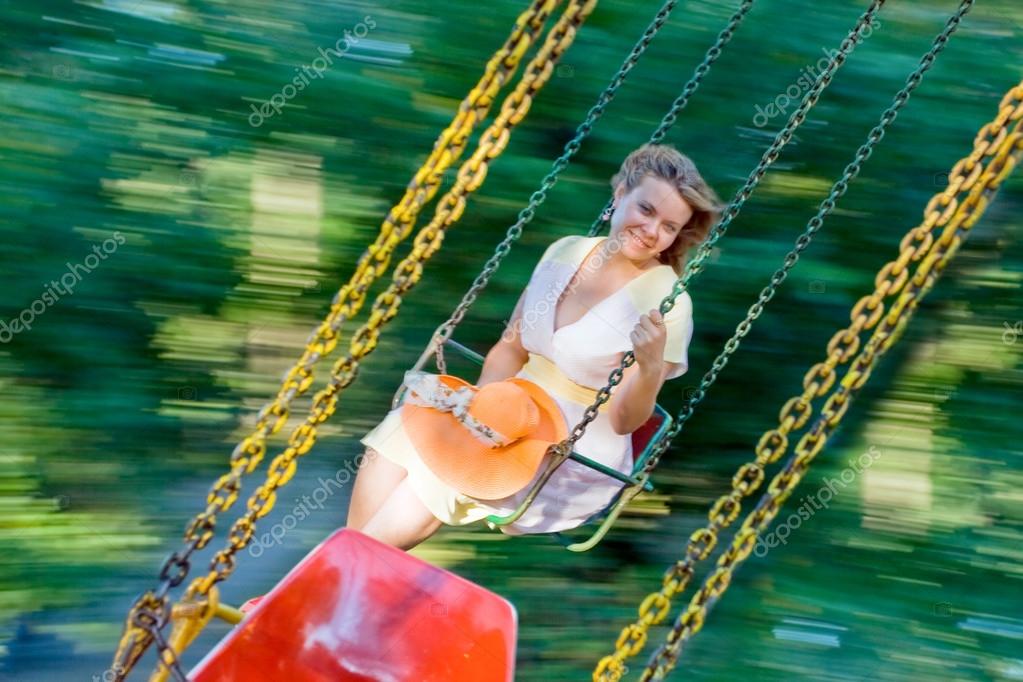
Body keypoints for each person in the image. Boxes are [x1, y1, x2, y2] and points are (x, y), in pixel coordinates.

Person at [345, 143, 723, 550]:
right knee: (402, 430)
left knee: (445, 471)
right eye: (646, 210)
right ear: (619, 195)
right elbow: (510, 350)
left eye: (668, 226)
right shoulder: (566, 252)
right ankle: (341, 581)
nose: (652, 231)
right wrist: (479, 412)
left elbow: (623, 421)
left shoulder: (668, 302)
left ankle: (327, 584)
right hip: (509, 405)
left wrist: (650, 369)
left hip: (575, 442)